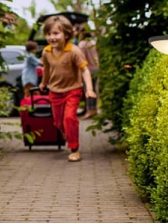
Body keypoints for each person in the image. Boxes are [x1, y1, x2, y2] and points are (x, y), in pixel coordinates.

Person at [39, 15, 96, 162]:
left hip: (73, 90)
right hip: (55, 91)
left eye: (56, 33)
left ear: (66, 34)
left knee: (69, 118)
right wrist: (44, 83)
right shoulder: (46, 52)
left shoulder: (74, 51)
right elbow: (46, 69)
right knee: (58, 123)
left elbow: (85, 70)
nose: (52, 37)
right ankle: (69, 135)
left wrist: (89, 89)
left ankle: (74, 149)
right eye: (49, 34)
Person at [78, 30, 99, 119]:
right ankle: (93, 109)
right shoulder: (93, 43)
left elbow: (81, 59)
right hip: (96, 68)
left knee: (87, 90)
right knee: (94, 89)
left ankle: (89, 111)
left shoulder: (82, 44)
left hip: (87, 70)